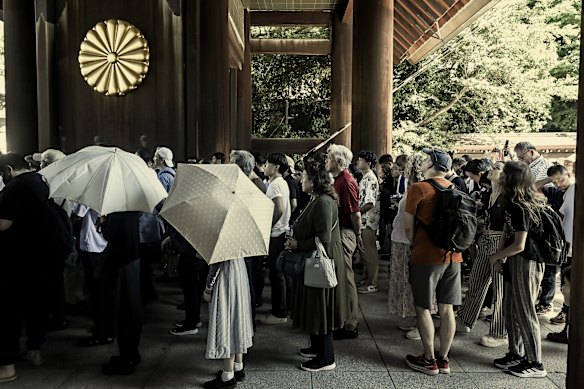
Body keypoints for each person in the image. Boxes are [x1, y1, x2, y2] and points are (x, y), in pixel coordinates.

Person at [404, 148, 462, 376]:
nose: (423, 161)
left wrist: (415, 245)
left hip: (427, 255)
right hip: (453, 254)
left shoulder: (418, 188)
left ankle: (428, 359)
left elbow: (408, 227)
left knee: (424, 306)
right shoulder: (454, 188)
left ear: (431, 164)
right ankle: (444, 358)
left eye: (426, 159)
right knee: (447, 308)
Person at [286, 161, 348, 372]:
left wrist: (297, 244)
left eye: (304, 177)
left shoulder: (322, 202)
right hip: (317, 258)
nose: (301, 181)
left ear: (314, 182)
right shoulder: (316, 199)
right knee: (315, 303)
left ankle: (326, 357)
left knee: (321, 305)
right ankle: (316, 347)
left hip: (322, 259)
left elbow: (324, 239)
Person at [489, 161, 547, 378]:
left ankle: (536, 362)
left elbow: (519, 244)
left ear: (511, 178)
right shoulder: (512, 201)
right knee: (511, 308)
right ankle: (516, 353)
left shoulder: (520, 206)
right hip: (515, 260)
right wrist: (500, 257)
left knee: (525, 311)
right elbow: (508, 233)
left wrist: (495, 257)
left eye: (504, 173)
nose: (500, 176)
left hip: (527, 261)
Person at [0, 154, 54, 382]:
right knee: (35, 305)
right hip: (39, 255)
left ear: (9, 169)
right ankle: (34, 351)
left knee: (7, 312)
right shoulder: (41, 181)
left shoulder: (14, 189)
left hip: (15, 260)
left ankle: (6, 366)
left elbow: (3, 225)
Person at [455, 161, 508, 348]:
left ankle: (499, 331)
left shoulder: (508, 196)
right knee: (477, 280)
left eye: (498, 168)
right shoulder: (488, 193)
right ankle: (464, 320)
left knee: (500, 290)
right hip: (486, 240)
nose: (493, 170)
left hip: (501, 243)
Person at [100, 211, 143, 376]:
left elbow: (110, 235)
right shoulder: (132, 206)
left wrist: (103, 221)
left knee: (125, 312)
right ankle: (132, 354)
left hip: (124, 261)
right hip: (133, 258)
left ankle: (127, 360)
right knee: (131, 308)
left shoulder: (118, 209)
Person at [325, 144, 361, 340]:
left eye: (329, 157)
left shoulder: (346, 181)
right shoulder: (338, 179)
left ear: (339, 161)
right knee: (341, 276)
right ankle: (344, 319)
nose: (326, 161)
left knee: (346, 278)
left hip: (345, 232)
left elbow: (355, 213)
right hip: (340, 231)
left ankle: (350, 323)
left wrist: (358, 234)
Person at [202, 257, 253, 388]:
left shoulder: (221, 238)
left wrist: (208, 287)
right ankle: (238, 366)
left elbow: (216, 263)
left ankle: (228, 375)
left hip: (226, 277)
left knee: (228, 323)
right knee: (238, 318)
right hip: (239, 271)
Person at [387, 153, 424, 334]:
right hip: (401, 238)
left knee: (411, 281)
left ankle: (420, 322)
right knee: (404, 280)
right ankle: (411, 315)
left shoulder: (418, 189)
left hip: (408, 241)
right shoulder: (412, 188)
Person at [256, 153, 291, 325]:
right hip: (281, 232)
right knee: (278, 274)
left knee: (276, 274)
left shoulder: (275, 185)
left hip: (276, 234)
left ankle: (279, 313)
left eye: (268, 164)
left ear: (276, 167)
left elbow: (279, 209)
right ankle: (280, 309)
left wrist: (267, 226)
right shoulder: (280, 183)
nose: (265, 167)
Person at [535, 165, 572, 316]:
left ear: (568, 174)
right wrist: (550, 178)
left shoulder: (573, 191)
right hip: (554, 239)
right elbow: (533, 187)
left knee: (566, 277)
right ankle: (546, 303)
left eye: (561, 180)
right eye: (555, 182)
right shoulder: (553, 191)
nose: (558, 184)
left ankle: (565, 310)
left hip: (568, 240)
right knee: (549, 273)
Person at [356, 151, 381, 294]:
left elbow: (370, 203)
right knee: (365, 251)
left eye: (361, 160)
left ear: (368, 163)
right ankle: (367, 278)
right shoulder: (366, 177)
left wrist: (356, 211)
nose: (358, 162)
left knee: (370, 251)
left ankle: (373, 282)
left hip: (368, 220)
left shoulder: (370, 178)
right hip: (365, 219)